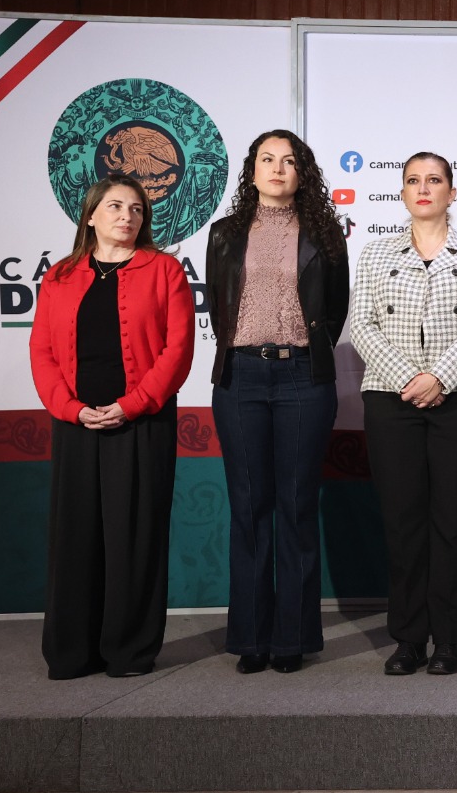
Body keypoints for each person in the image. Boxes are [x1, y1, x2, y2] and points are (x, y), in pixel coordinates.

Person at [30, 176, 194, 679]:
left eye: (137, 209)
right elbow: (42, 351)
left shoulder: (164, 270)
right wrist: (69, 408)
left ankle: (129, 651)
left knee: (135, 538)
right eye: (116, 206)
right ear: (90, 215)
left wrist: (133, 404)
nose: (128, 216)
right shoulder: (59, 276)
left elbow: (178, 349)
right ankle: (73, 652)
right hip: (76, 423)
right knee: (75, 537)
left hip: (142, 423)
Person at [352, 152, 457, 676]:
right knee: (404, 523)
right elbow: (362, 325)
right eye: (413, 180)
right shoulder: (375, 252)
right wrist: (409, 379)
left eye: (434, 179)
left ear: (451, 192)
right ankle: (408, 639)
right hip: (390, 398)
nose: (423, 187)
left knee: (455, 524)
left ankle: (449, 640)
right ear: (401, 192)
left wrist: (439, 377)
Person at [208, 131, 349, 675]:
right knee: (248, 510)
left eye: (289, 161)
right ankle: (250, 638)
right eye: (267, 159)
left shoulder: (324, 233)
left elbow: (334, 311)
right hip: (240, 376)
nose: (277, 168)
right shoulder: (224, 234)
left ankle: (292, 638)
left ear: (301, 173)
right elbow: (220, 307)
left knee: (295, 507)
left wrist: (299, 349)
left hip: (302, 378)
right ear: (252, 171)